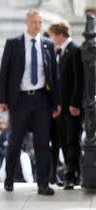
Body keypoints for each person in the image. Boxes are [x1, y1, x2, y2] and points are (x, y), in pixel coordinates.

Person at [0, 9, 59, 195]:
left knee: (42, 142)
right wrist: (2, 99)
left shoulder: (48, 44)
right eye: (34, 22)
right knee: (15, 141)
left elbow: (54, 77)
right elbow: (4, 72)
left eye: (40, 22)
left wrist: (56, 103)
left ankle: (43, 183)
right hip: (20, 100)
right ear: (26, 22)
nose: (37, 25)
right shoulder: (13, 43)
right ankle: (9, 178)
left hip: (41, 99)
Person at [47, 21, 84, 189]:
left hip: (72, 107)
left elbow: (79, 80)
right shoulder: (59, 52)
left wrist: (75, 103)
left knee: (72, 141)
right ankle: (73, 174)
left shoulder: (75, 50)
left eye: (53, 36)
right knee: (64, 141)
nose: (52, 39)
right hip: (61, 108)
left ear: (60, 35)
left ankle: (71, 175)